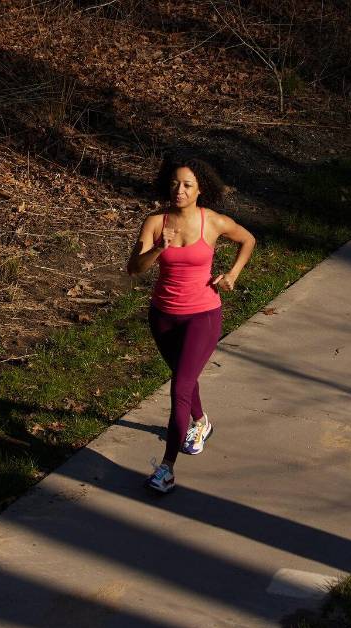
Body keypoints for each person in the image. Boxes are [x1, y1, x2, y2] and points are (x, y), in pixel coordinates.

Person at [126, 155, 256, 493]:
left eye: (187, 185)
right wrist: (157, 248)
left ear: (200, 190)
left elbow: (248, 240)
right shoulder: (155, 222)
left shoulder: (212, 222)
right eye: (174, 183)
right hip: (163, 316)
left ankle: (166, 468)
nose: (179, 190)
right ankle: (201, 422)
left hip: (203, 315)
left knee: (180, 386)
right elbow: (134, 269)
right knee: (184, 377)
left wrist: (232, 275)